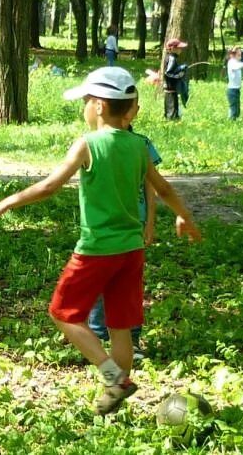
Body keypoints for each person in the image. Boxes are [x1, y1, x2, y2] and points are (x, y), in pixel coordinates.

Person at [0, 67, 201, 416]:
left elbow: (50, 186)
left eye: (85, 100)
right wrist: (183, 215)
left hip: (97, 250)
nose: (83, 106)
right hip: (131, 249)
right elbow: (163, 188)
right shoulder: (139, 146)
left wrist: (6, 202)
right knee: (120, 326)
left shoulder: (88, 144)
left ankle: (114, 378)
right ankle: (115, 395)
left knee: (62, 313)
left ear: (97, 105)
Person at [87, 94, 160, 361]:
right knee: (99, 278)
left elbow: (151, 187)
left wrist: (149, 221)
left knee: (129, 284)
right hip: (103, 228)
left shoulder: (141, 145)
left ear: (136, 111)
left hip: (133, 225)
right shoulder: (95, 143)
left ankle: (133, 338)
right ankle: (96, 336)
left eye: (133, 106)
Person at [162, 38, 188, 121]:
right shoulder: (171, 58)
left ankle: (172, 119)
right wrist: (178, 75)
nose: (180, 50)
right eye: (179, 48)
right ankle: (171, 121)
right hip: (170, 88)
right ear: (173, 49)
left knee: (173, 108)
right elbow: (167, 73)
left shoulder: (170, 57)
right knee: (172, 109)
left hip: (171, 89)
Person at [226, 46, 243, 120]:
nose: (240, 57)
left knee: (237, 107)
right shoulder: (232, 62)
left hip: (236, 89)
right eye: (238, 55)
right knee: (234, 107)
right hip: (232, 90)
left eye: (241, 55)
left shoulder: (237, 62)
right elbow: (239, 66)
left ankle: (235, 119)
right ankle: (231, 120)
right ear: (232, 55)